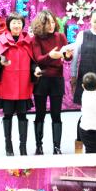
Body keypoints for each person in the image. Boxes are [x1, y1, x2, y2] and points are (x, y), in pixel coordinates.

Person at [0, 13, 35, 156]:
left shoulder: (28, 41)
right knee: (8, 116)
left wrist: (36, 70)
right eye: (14, 23)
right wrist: (0, 63)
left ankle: (23, 147)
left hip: (23, 86)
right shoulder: (2, 41)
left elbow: (33, 62)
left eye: (19, 23)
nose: (16, 25)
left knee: (22, 116)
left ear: (23, 25)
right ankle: (8, 147)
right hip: (7, 86)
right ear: (9, 25)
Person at [31, 10, 71, 155]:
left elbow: (66, 57)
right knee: (40, 114)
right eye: (48, 23)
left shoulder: (61, 36)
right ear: (41, 24)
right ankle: (39, 146)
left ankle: (57, 147)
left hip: (57, 79)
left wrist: (68, 56)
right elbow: (38, 59)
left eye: (53, 22)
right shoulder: (36, 39)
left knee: (56, 114)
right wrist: (50, 56)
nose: (51, 25)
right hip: (41, 79)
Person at [71, 8, 96, 106]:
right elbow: (75, 57)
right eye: (95, 21)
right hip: (85, 77)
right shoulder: (82, 35)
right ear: (90, 21)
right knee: (86, 107)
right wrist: (73, 75)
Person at [79, 72, 96, 154]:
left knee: (90, 150)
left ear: (83, 86)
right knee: (94, 153)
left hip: (83, 129)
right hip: (93, 130)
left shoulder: (84, 94)